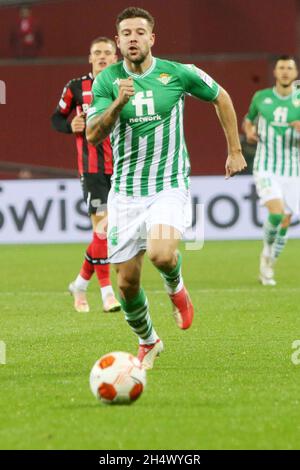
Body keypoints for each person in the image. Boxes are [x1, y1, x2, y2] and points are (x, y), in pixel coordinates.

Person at [86, 7, 246, 369]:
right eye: (126, 33)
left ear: (151, 38)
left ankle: (176, 289)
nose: (132, 39)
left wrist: (234, 150)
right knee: (126, 284)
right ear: (118, 41)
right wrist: (118, 103)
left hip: (168, 185)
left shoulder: (176, 73)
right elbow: (94, 135)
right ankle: (148, 340)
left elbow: (221, 97)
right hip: (125, 192)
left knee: (160, 253)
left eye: (139, 32)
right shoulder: (107, 82)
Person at [51, 37, 121, 313]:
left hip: (123, 168)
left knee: (111, 233)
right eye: (97, 53)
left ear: (115, 58)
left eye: (107, 52)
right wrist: (71, 126)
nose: (102, 57)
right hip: (91, 170)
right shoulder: (76, 87)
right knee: (102, 230)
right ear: (90, 58)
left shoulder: (124, 85)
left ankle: (80, 284)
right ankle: (107, 294)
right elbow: (56, 118)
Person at [243, 55, 300, 286]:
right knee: (276, 213)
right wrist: (248, 131)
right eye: (281, 68)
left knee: (285, 221)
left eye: (289, 68)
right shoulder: (261, 97)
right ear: (275, 73)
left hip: (293, 169)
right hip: (266, 166)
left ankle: (268, 265)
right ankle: (266, 254)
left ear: (295, 74)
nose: (285, 72)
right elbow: (248, 119)